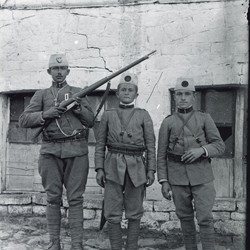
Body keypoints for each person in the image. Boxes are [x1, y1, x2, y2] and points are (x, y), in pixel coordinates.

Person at [19, 54, 95, 250]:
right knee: (53, 198)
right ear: (49, 72)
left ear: (68, 71)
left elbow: (91, 121)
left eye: (63, 69)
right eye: (55, 69)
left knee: (76, 199)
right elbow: (23, 120)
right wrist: (45, 114)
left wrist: (79, 110)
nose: (59, 72)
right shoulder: (41, 95)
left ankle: (77, 244)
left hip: (76, 150)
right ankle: (55, 243)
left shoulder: (79, 92)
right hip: (50, 151)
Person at [157, 77, 225, 250]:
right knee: (185, 218)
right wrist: (164, 181)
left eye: (187, 94)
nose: (183, 98)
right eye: (179, 94)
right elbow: (161, 154)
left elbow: (219, 145)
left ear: (194, 97)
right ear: (174, 97)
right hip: (177, 178)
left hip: (202, 177)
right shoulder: (168, 122)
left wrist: (201, 150)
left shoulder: (204, 118)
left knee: (205, 219)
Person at [95, 72, 156, 250]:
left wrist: (151, 170)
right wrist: (99, 168)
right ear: (117, 93)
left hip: (137, 167)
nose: (127, 92)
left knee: (134, 211)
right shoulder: (108, 115)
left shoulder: (144, 115)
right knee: (112, 211)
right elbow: (100, 144)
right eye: (123, 89)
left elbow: (151, 145)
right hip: (112, 166)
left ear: (136, 95)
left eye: (131, 90)